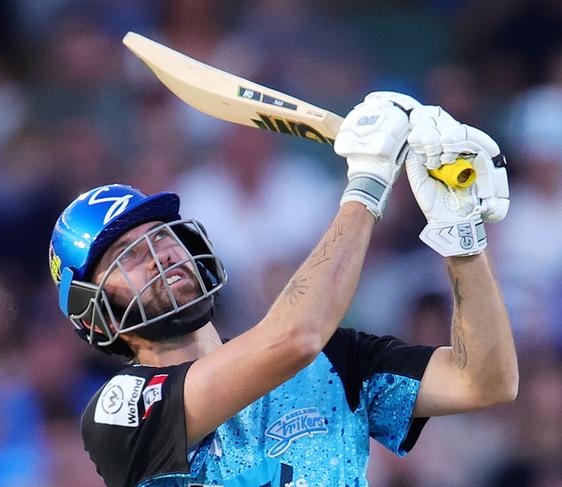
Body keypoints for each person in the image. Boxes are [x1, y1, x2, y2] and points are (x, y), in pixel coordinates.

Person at [48, 92, 518, 487]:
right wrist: (368, 184)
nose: (159, 253)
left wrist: (460, 231)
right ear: (95, 312)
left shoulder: (333, 361)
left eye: (162, 235)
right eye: (127, 255)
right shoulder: (117, 411)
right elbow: (293, 339)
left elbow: (484, 381)